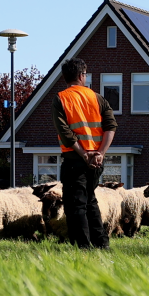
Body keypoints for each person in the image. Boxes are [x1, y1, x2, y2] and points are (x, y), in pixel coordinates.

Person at [52, 57, 117, 248]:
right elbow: (110, 126)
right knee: (90, 201)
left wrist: (84, 154)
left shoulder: (61, 98)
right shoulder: (97, 98)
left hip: (75, 161)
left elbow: (65, 133)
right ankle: (101, 244)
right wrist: (100, 153)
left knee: (76, 206)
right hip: (96, 162)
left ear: (65, 77)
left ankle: (83, 247)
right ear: (81, 75)